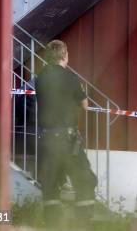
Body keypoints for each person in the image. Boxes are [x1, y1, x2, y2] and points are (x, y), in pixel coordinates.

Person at [36, 40, 97, 226]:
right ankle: (82, 223)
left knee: (51, 182)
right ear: (65, 56)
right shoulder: (70, 78)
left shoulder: (40, 78)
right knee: (85, 178)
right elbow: (85, 105)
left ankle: (52, 224)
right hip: (67, 139)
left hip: (46, 139)